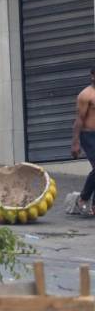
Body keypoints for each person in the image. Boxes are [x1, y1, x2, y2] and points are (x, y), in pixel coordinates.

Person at [72, 68, 95, 215]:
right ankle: (83, 198)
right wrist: (75, 143)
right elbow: (79, 120)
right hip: (89, 136)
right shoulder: (85, 95)